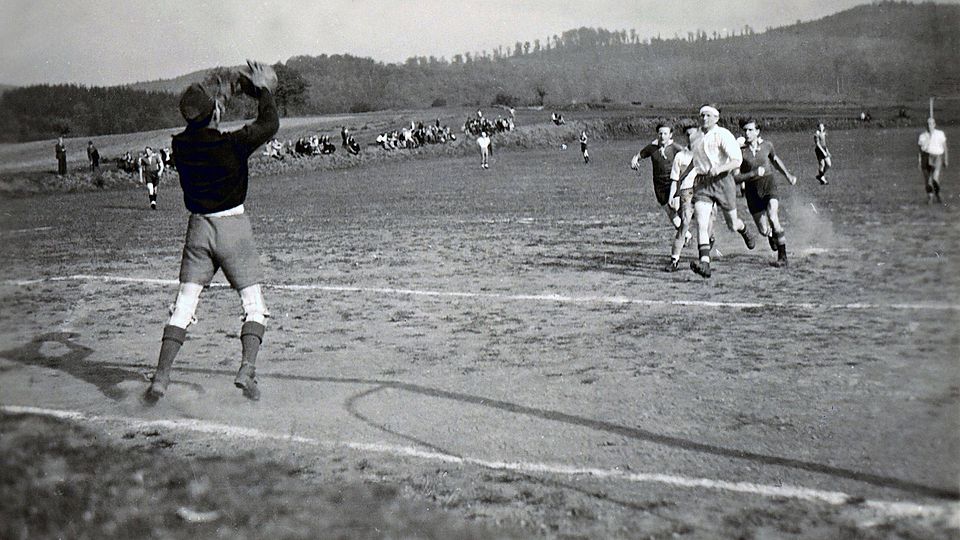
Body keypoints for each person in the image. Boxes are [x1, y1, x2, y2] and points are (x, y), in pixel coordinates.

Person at [144, 60, 279, 403]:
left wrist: (218, 102)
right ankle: (247, 368)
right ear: (214, 115)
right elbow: (269, 123)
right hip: (232, 228)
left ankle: (161, 377)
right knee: (254, 307)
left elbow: (201, 127)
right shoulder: (231, 145)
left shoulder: (180, 145)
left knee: (184, 307)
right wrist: (261, 89)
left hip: (198, 230)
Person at [678, 104, 756, 278]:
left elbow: (737, 160)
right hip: (703, 183)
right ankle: (705, 263)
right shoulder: (696, 137)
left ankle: (743, 229)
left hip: (723, 182)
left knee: (732, 224)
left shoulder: (723, 135)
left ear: (716, 118)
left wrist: (720, 169)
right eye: (702, 115)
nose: (704, 119)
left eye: (708, 116)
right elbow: (695, 161)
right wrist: (686, 177)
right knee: (701, 222)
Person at [732, 119, 798, 267]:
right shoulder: (740, 151)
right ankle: (770, 235)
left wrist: (788, 175)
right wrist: (752, 174)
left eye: (750, 130)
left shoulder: (767, 145)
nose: (747, 133)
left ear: (757, 131)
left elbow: (775, 160)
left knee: (773, 217)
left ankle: (783, 257)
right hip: (752, 191)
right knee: (763, 230)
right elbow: (735, 177)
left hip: (769, 185)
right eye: (745, 131)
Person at [631, 123, 686, 233]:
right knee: (670, 212)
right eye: (660, 133)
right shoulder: (652, 148)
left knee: (677, 209)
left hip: (674, 183)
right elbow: (640, 155)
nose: (662, 136)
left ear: (670, 135)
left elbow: (689, 157)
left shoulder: (675, 148)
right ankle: (686, 235)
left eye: (665, 133)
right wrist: (634, 160)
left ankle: (687, 235)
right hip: (659, 185)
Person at [662, 124, 701, 272]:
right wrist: (673, 196)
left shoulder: (706, 153)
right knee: (684, 224)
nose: (691, 137)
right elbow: (675, 179)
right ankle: (674, 260)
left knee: (706, 224)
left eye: (693, 134)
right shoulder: (680, 156)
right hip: (686, 192)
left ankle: (704, 257)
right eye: (688, 134)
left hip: (702, 191)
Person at [918, 117, 949, 204]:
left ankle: (938, 193)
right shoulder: (922, 136)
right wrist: (919, 161)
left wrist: (946, 159)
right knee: (927, 180)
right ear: (926, 125)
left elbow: (945, 147)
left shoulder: (940, 134)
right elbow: (920, 150)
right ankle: (930, 197)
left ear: (934, 125)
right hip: (926, 157)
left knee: (935, 178)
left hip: (937, 157)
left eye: (931, 124)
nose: (929, 126)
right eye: (928, 124)